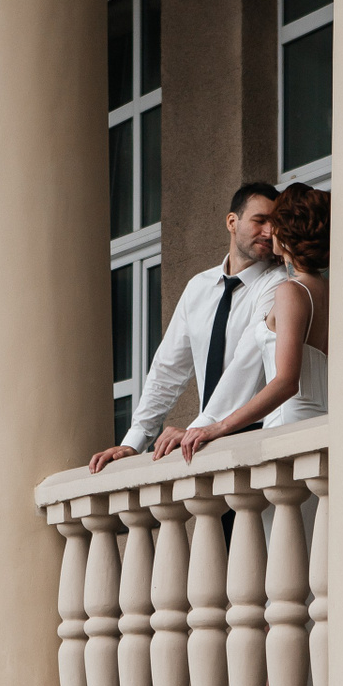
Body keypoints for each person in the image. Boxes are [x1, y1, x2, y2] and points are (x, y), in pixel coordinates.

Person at [87, 182, 286, 473]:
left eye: (275, 223)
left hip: (256, 440)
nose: (269, 232)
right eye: (260, 220)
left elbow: (246, 365)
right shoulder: (198, 287)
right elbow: (168, 368)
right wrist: (135, 441)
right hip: (206, 446)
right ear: (232, 222)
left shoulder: (278, 283)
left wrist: (198, 428)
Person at [175, 182, 328, 462]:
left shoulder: (290, 291)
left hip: (288, 424)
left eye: (275, 223)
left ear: (287, 232)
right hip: (322, 422)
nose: (269, 232)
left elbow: (286, 382)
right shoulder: (328, 291)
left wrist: (219, 426)